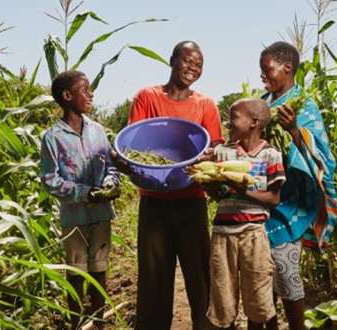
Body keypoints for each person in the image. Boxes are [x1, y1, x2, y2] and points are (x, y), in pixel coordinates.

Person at [113, 40, 223, 330]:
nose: (192, 68)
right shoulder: (147, 97)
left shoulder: (206, 104)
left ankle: (206, 325)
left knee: (200, 274)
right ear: (172, 59)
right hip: (154, 199)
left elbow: (215, 146)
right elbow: (135, 143)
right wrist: (126, 164)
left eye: (198, 65)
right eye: (187, 61)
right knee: (154, 276)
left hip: (192, 198)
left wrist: (210, 155)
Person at [259, 41, 337, 330]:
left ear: (287, 67)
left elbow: (323, 157)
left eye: (267, 69)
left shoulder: (304, 104)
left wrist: (293, 131)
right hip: (260, 200)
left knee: (285, 268)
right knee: (262, 279)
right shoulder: (262, 101)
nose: (262, 75)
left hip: (290, 205)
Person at [40, 70, 120, 330]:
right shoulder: (52, 137)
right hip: (73, 218)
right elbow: (50, 180)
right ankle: (76, 324)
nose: (91, 94)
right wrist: (84, 192)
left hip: (101, 215)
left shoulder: (98, 131)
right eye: (84, 90)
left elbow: (110, 165)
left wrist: (110, 184)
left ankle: (98, 324)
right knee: (76, 273)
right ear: (67, 96)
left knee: (99, 270)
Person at [203, 98, 286, 330]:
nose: (228, 123)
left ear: (254, 122)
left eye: (233, 118)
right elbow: (219, 195)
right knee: (222, 294)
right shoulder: (222, 153)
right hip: (222, 234)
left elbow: (273, 198)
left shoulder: (271, 155)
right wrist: (204, 180)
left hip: (254, 235)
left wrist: (245, 190)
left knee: (257, 295)